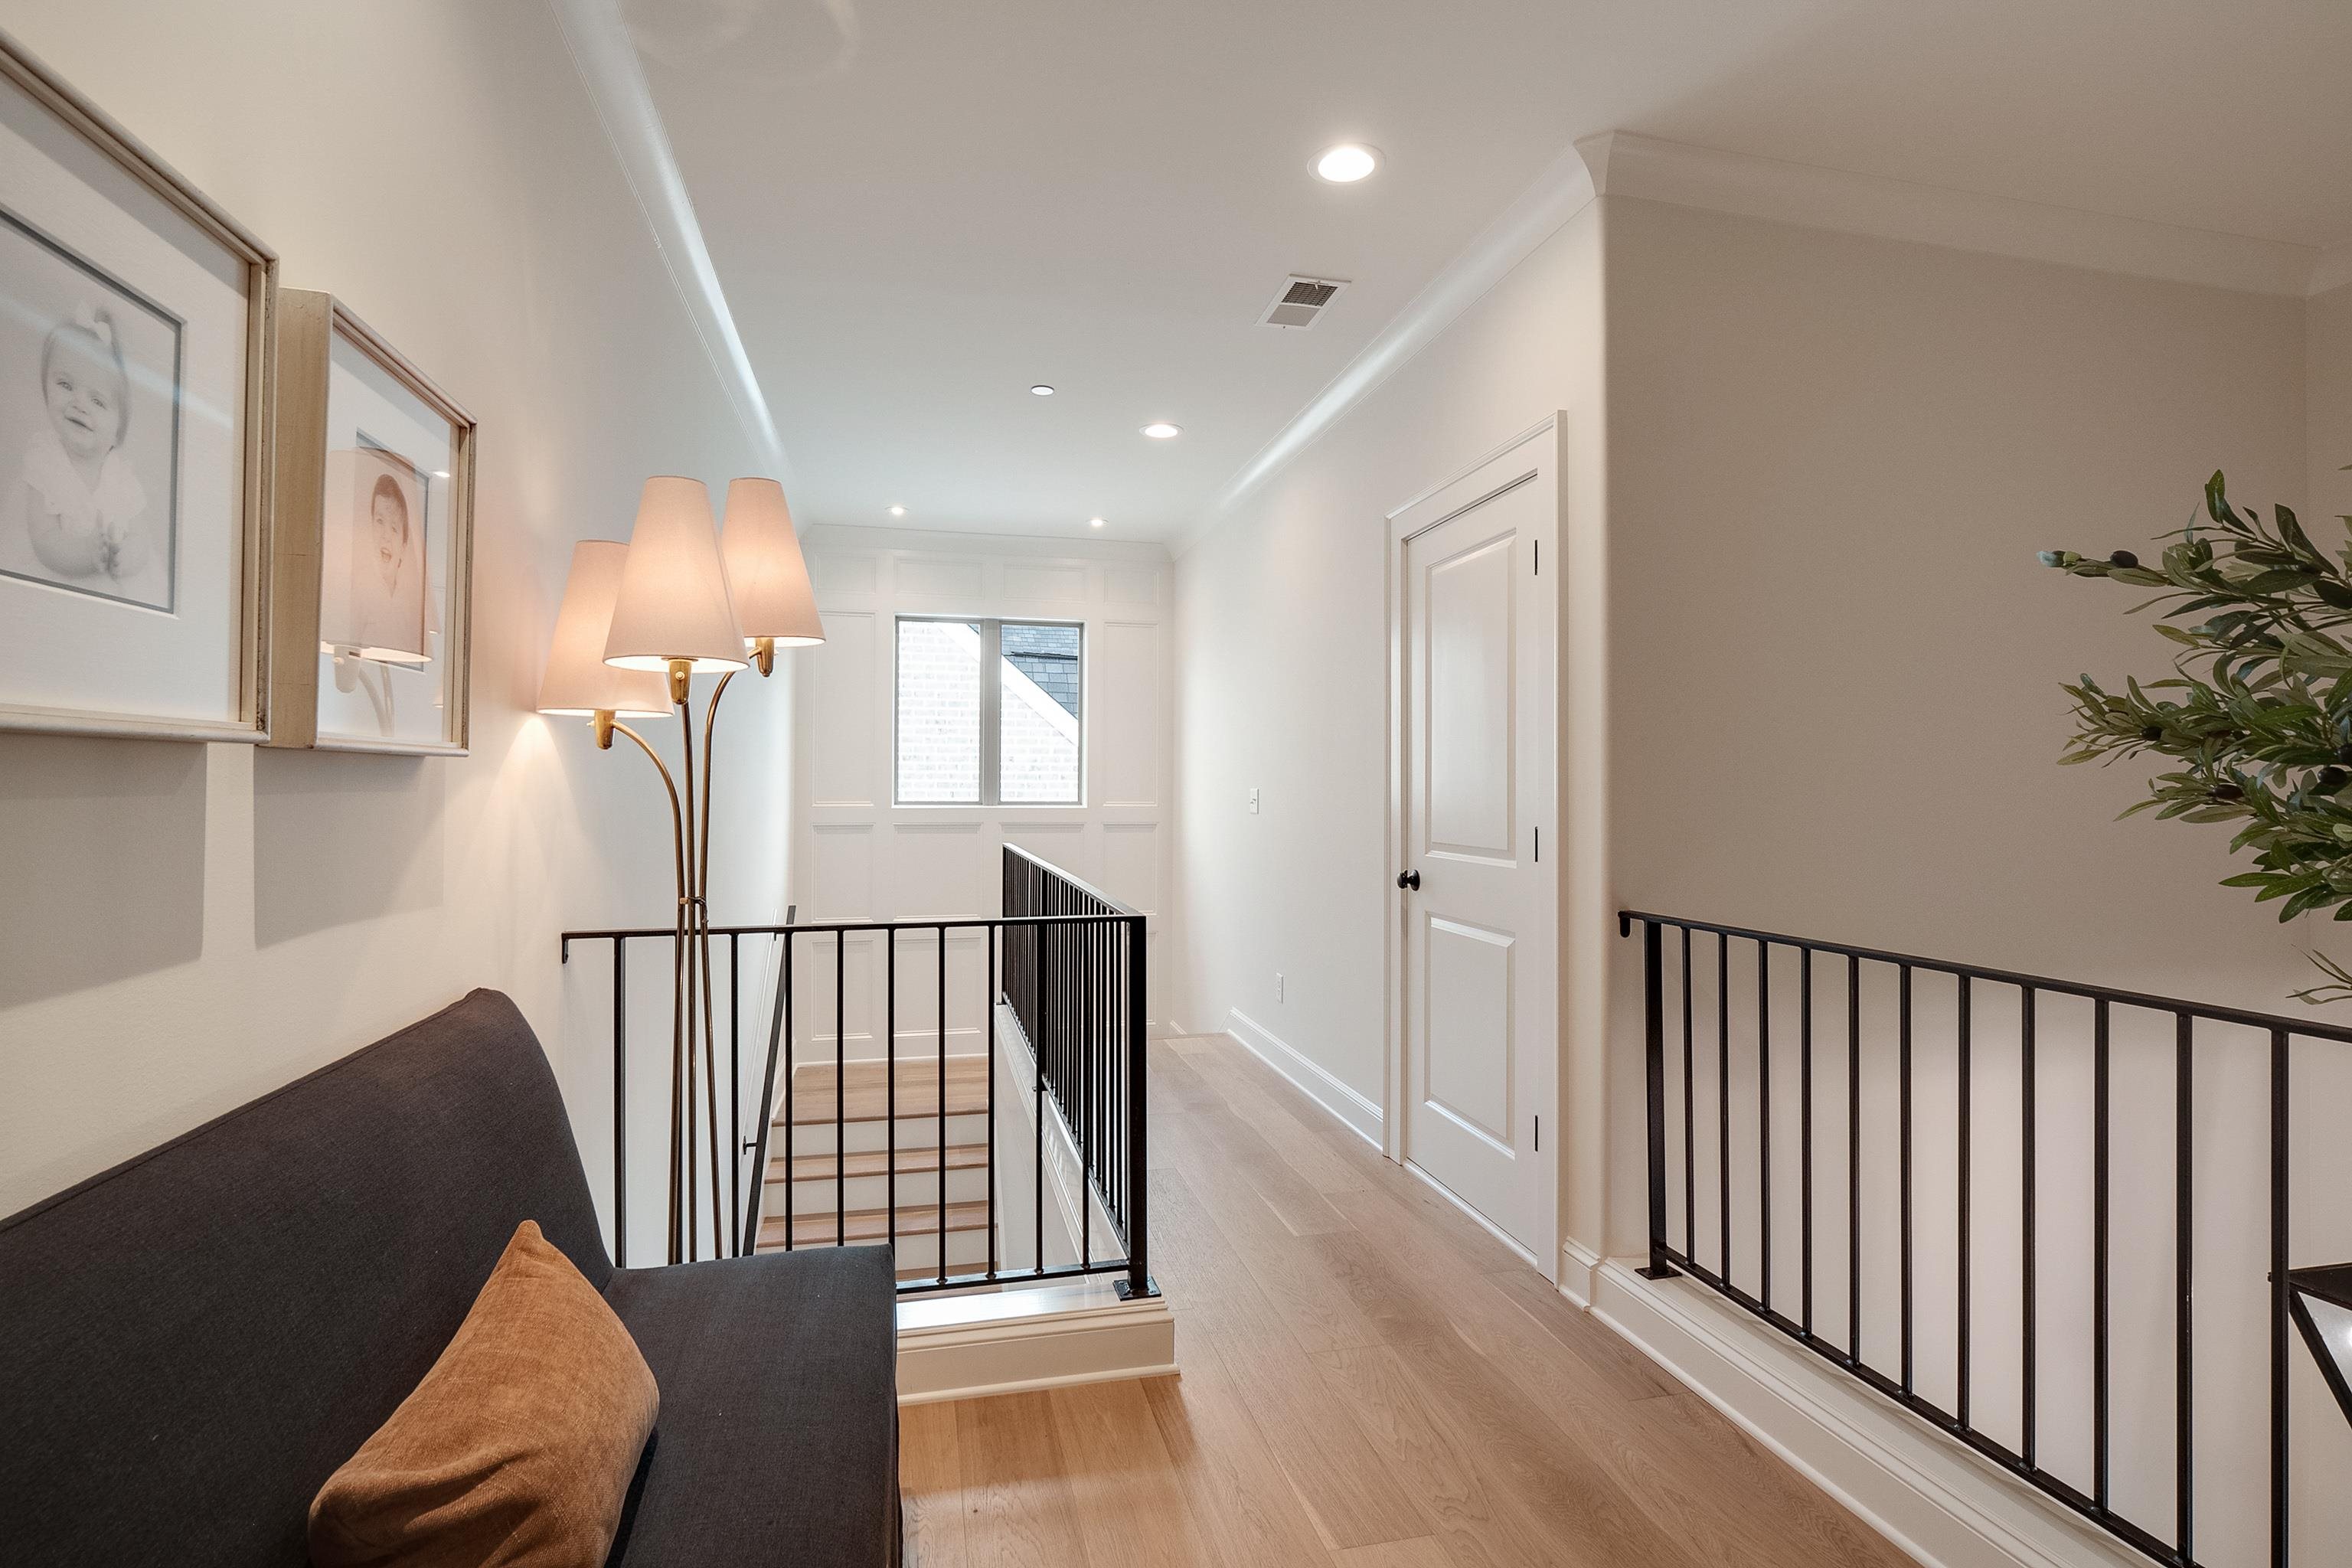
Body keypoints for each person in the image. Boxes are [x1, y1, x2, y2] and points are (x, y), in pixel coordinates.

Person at [21, 301, 148, 590]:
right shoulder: (45, 460)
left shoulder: (120, 473)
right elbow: (42, 538)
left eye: (98, 401)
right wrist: (85, 555)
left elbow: (142, 538)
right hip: (58, 582)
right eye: (66, 385)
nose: (79, 404)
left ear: (119, 425)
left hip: (114, 587)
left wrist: (127, 557)